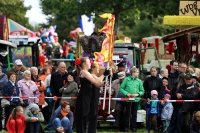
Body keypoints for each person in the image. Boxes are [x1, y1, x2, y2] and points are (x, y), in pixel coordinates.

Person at [74, 57, 109, 133]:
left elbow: (97, 84)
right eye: (88, 62)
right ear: (84, 64)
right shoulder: (84, 72)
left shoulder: (87, 72)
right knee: (83, 118)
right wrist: (104, 74)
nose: (90, 63)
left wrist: (103, 82)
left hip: (87, 97)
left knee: (86, 116)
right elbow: (95, 81)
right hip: (84, 97)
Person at [120, 68, 144, 133]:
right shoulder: (126, 80)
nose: (138, 73)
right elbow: (121, 88)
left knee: (134, 114)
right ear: (133, 73)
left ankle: (134, 128)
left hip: (136, 100)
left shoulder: (139, 81)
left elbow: (142, 91)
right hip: (128, 100)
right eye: (137, 72)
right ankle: (126, 128)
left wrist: (137, 94)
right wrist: (126, 93)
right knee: (127, 114)